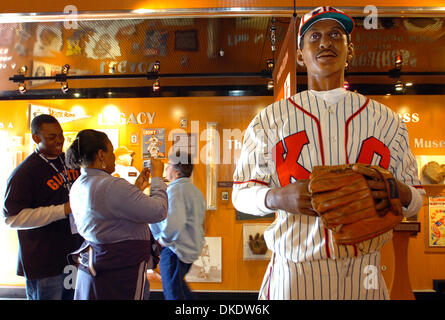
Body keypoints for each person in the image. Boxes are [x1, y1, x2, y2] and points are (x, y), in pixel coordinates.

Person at [232, 6, 425, 300]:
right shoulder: (269, 120)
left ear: (350, 51)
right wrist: (276, 197)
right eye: (314, 36)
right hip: (295, 271)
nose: (325, 43)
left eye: (336, 34)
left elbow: (417, 198)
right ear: (300, 55)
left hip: (366, 271)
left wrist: (399, 191)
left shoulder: (386, 120)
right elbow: (241, 193)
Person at [65, 129, 168, 300]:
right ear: (101, 155)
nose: (114, 156)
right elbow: (159, 211)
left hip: (99, 264)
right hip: (121, 270)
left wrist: (136, 189)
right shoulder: (111, 185)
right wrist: (158, 177)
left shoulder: (79, 185)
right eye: (111, 152)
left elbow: (109, 214)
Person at [2, 114, 83, 300]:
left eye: (61, 135)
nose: (59, 141)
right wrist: (62, 210)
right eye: (52, 137)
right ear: (36, 138)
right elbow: (12, 219)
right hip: (44, 262)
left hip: (73, 256)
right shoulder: (24, 173)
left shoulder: (69, 162)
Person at [150, 152, 205, 300]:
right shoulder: (195, 191)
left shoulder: (175, 191)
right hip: (187, 249)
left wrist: (162, 240)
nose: (165, 169)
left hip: (174, 249)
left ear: (176, 170)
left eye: (168, 166)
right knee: (179, 289)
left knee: (173, 294)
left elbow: (174, 223)